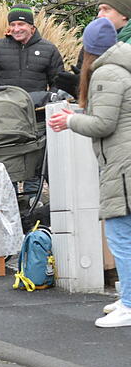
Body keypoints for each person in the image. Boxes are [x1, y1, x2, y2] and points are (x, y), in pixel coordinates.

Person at [48, 19, 131, 327]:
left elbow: (103, 124)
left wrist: (69, 121)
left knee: (120, 236)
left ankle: (129, 305)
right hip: (125, 161)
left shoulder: (106, 72)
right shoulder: (124, 64)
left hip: (122, 165)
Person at [0, 4, 64, 93]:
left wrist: (47, 100)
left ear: (31, 26)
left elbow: (58, 83)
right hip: (4, 105)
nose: (16, 29)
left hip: (37, 105)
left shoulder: (49, 49)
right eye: (12, 25)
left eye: (21, 24)